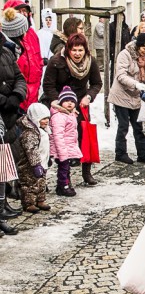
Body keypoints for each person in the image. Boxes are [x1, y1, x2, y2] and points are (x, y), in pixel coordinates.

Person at [42, 33, 102, 187]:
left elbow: (96, 83)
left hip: (80, 104)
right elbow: (48, 85)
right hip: (57, 105)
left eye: (80, 50)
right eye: (74, 50)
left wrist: (88, 96)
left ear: (85, 51)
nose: (77, 54)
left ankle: (86, 171)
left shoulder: (91, 62)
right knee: (57, 140)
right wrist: (57, 102)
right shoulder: (56, 62)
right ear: (68, 49)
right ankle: (58, 177)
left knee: (84, 137)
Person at [108, 32, 145, 165]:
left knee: (138, 126)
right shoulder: (125, 54)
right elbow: (120, 75)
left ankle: (143, 154)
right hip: (121, 95)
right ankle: (120, 153)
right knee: (123, 126)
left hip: (135, 96)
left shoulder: (144, 55)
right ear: (138, 45)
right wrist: (135, 84)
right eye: (144, 48)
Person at [0, 29, 27, 232]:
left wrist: (17, 96)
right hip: (2, 110)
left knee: (4, 162)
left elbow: (19, 76)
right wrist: (3, 100)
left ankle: (2, 205)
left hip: (9, 115)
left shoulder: (6, 52)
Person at [2, 1, 42, 110]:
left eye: (25, 11)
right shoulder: (7, 48)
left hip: (31, 93)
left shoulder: (32, 35)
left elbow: (38, 61)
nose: (23, 14)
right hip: (12, 100)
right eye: (19, 11)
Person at [15, 103, 51, 213]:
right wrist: (35, 164)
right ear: (36, 119)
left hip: (42, 161)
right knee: (29, 184)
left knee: (41, 182)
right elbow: (31, 150)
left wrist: (48, 158)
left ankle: (40, 199)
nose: (46, 121)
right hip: (29, 165)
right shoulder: (29, 133)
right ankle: (28, 203)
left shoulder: (42, 129)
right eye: (43, 118)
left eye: (47, 118)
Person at [50, 87, 82, 197]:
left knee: (66, 168)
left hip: (68, 148)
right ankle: (63, 186)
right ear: (61, 102)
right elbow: (58, 136)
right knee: (63, 169)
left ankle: (63, 185)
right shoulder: (59, 116)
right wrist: (62, 153)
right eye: (67, 101)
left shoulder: (70, 114)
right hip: (62, 149)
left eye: (72, 101)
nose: (70, 104)